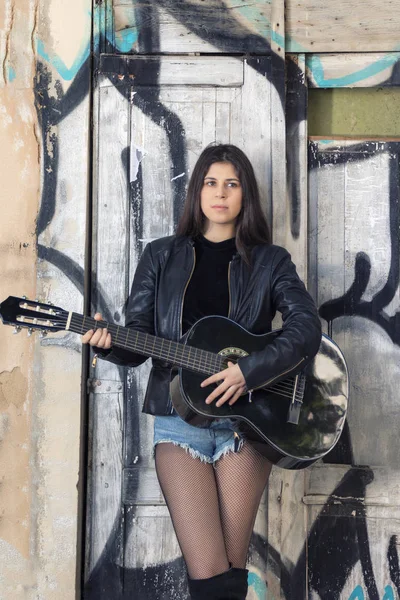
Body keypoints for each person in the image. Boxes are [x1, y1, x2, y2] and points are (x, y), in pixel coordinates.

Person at [82, 144, 322, 600]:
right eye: (211, 182)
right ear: (196, 191)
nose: (220, 193)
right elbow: (137, 341)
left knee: (228, 575)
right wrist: (108, 345)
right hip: (178, 426)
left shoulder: (270, 262)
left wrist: (248, 372)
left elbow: (306, 327)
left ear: (245, 194)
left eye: (232, 183)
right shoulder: (160, 256)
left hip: (245, 427)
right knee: (209, 573)